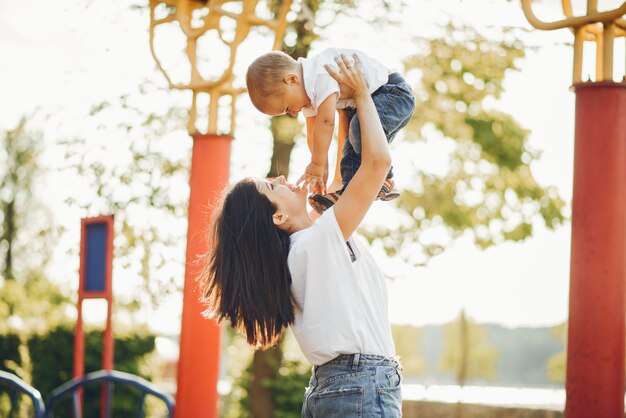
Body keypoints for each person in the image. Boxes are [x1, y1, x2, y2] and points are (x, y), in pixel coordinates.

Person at [201, 54, 402, 417]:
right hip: (359, 386)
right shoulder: (316, 242)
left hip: (342, 386)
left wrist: (340, 101)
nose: (280, 178)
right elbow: (376, 163)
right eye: (271, 185)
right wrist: (362, 96)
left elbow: (349, 169)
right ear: (278, 216)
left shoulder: (307, 246)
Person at [245, 47, 415, 214]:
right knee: (349, 149)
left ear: (292, 79)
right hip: (371, 100)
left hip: (393, 93)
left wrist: (317, 165)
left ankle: (386, 178)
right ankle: (347, 190)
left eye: (288, 108)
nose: (293, 113)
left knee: (358, 130)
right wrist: (321, 170)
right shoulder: (307, 93)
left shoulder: (319, 74)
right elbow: (314, 134)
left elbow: (326, 122)